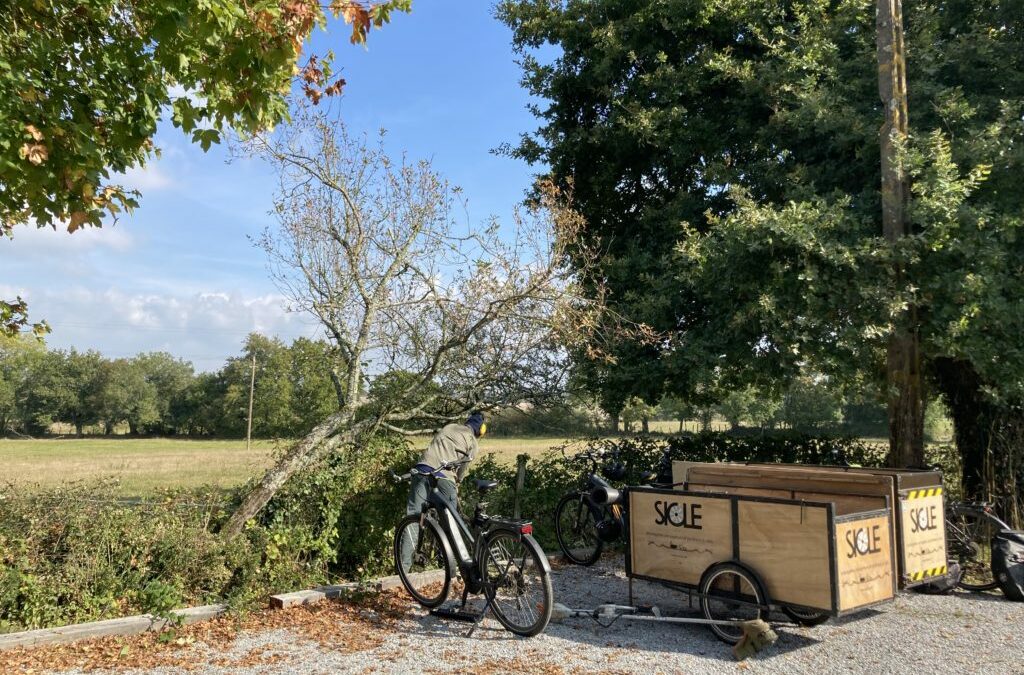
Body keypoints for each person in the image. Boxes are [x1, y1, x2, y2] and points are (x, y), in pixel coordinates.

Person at [406, 411, 486, 519]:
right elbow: (463, 467)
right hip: (443, 475)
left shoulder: (450, 426)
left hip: (421, 468)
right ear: (481, 430)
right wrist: (458, 482)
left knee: (414, 515)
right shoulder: (473, 442)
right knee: (450, 518)